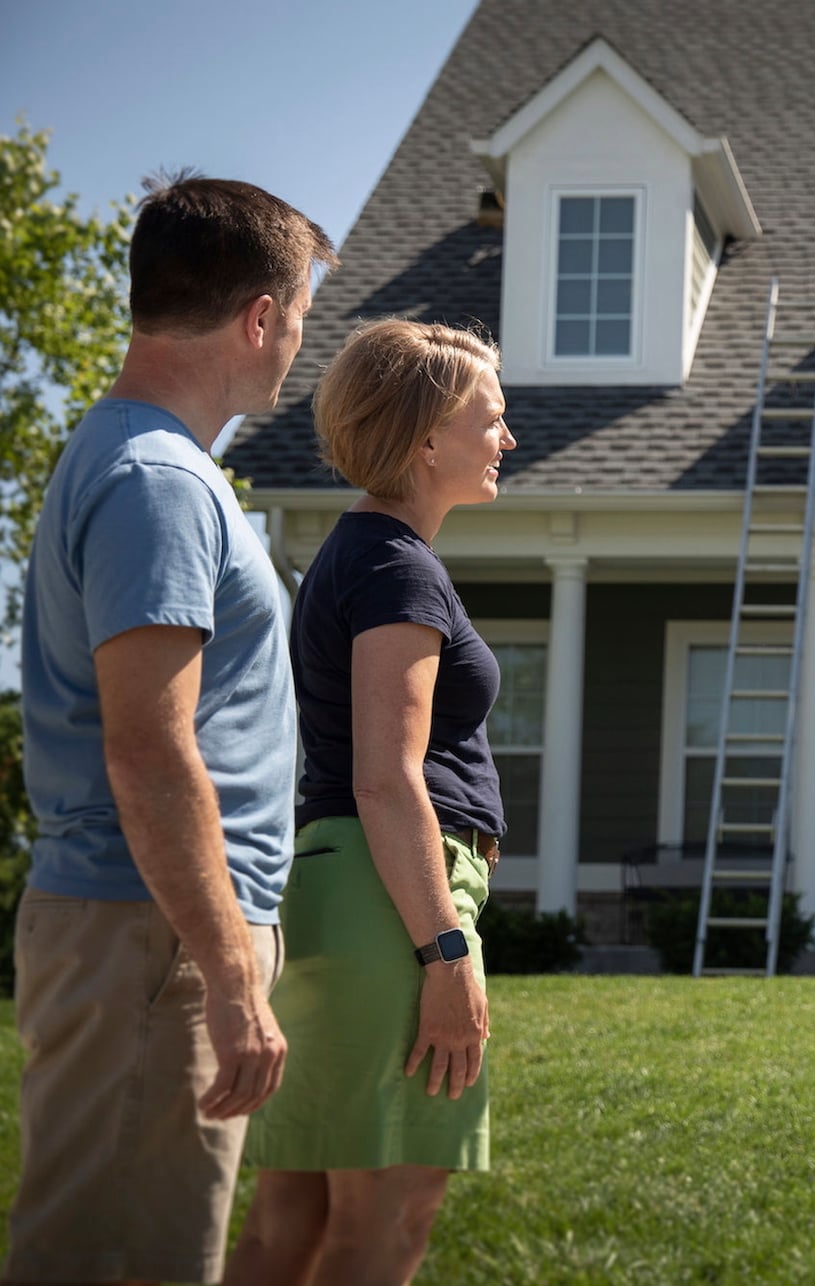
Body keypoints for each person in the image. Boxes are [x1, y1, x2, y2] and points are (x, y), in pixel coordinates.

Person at [5, 176, 334, 1285]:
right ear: (258, 317)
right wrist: (232, 974)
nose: (297, 343)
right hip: (156, 941)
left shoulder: (145, 461)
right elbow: (149, 748)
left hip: (156, 936)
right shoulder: (157, 481)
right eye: (298, 317)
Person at [226, 318, 515, 1286]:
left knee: (293, 1223)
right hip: (390, 908)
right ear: (428, 439)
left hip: (343, 893)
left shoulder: (357, 554)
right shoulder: (397, 567)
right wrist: (446, 947)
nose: (505, 439)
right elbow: (388, 776)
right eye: (492, 419)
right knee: (384, 1226)